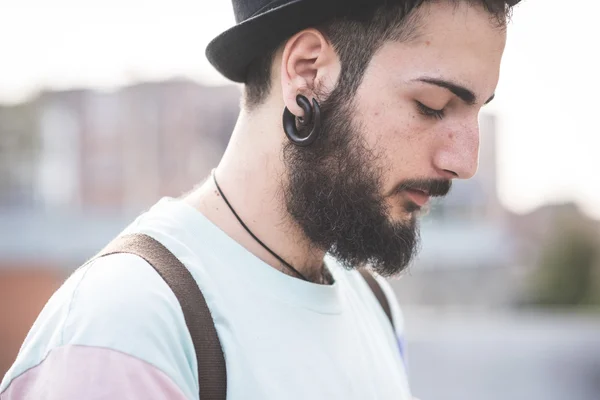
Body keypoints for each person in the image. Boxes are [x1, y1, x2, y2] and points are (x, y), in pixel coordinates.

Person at [1, 0, 520, 398]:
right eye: (432, 106)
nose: (465, 161)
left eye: (477, 112)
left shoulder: (375, 306)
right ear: (309, 73)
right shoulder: (126, 327)